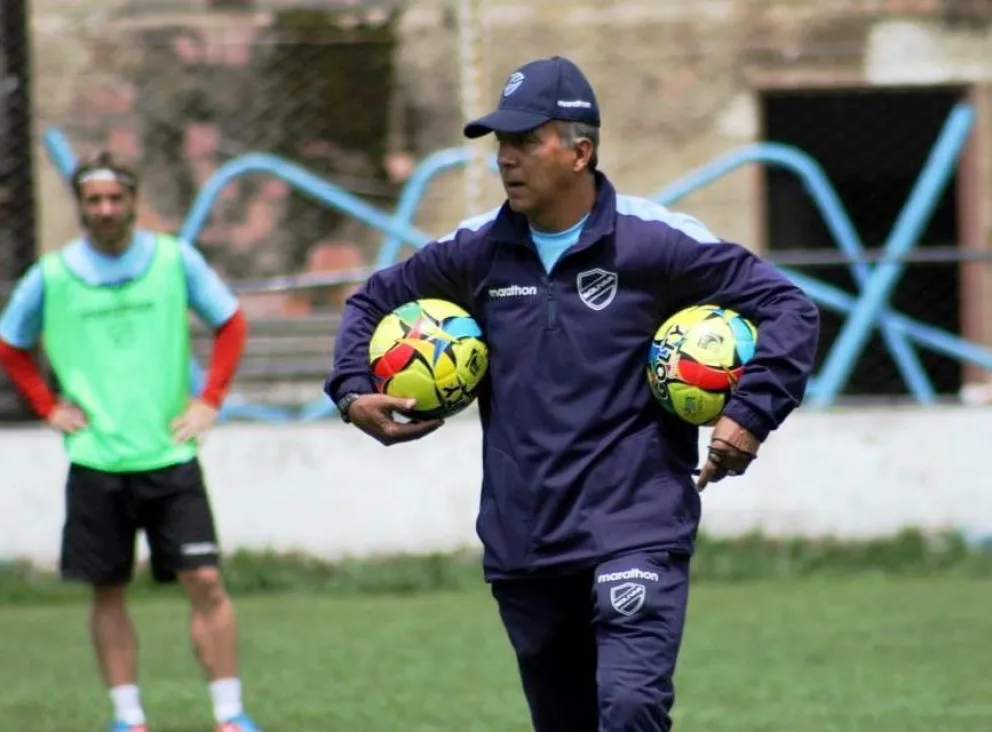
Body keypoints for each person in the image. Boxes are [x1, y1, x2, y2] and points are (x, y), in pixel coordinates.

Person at [325, 56, 820, 732]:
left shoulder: (655, 244)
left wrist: (748, 415)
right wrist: (354, 391)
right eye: (502, 144)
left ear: (580, 150)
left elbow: (790, 307)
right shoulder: (475, 252)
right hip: (524, 539)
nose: (507, 159)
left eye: (526, 141)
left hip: (634, 525)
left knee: (630, 708)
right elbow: (371, 300)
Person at [0, 152, 262, 732]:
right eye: (94, 201)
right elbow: (9, 344)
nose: (106, 210)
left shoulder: (173, 260)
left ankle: (229, 714)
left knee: (205, 580)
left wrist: (209, 399)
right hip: (96, 459)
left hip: (170, 452)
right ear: (81, 208)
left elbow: (232, 323)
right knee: (109, 589)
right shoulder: (52, 273)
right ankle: (129, 717)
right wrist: (46, 407)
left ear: (133, 200)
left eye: (115, 198)